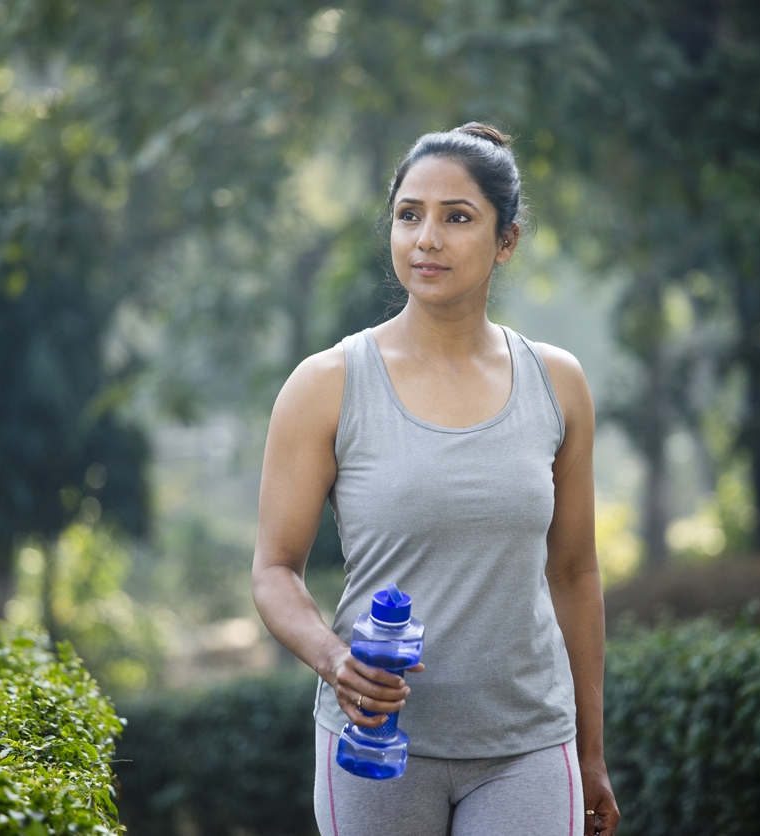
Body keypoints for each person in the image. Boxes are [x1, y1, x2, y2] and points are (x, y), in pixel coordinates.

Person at [252, 122, 620, 836]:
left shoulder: (558, 384)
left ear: (505, 241)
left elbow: (575, 573)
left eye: (458, 218)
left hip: (528, 746)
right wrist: (335, 660)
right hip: (374, 744)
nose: (427, 238)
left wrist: (591, 752)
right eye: (408, 214)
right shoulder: (327, 384)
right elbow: (273, 570)